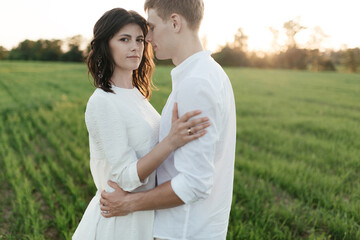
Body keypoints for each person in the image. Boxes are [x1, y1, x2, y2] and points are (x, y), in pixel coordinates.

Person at [100, 0, 237, 239]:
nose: (148, 37)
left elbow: (194, 183)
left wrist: (129, 203)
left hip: (183, 230)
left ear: (175, 22)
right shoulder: (209, 73)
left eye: (151, 27)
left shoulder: (197, 83)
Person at [72, 8, 210, 240]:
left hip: (143, 217)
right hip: (118, 223)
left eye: (139, 39)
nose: (135, 46)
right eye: (124, 39)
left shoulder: (137, 95)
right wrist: (171, 142)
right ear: (106, 45)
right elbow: (125, 177)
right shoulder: (103, 101)